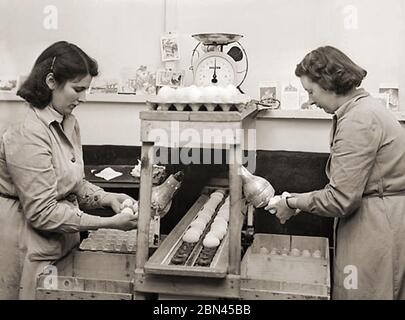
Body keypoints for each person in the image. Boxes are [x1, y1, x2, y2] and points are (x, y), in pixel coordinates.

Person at [0, 41, 138, 299]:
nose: (83, 98)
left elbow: (74, 183)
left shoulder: (67, 121)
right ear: (51, 81)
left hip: (61, 241)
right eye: (78, 89)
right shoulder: (27, 131)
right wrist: (109, 223)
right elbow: (42, 212)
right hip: (26, 243)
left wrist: (108, 198)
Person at [265, 46, 405, 300]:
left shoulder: (358, 120)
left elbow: (341, 198)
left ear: (329, 83)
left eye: (311, 91)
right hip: (377, 216)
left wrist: (290, 202)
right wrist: (298, 201)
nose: (310, 100)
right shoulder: (362, 109)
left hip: (376, 227)